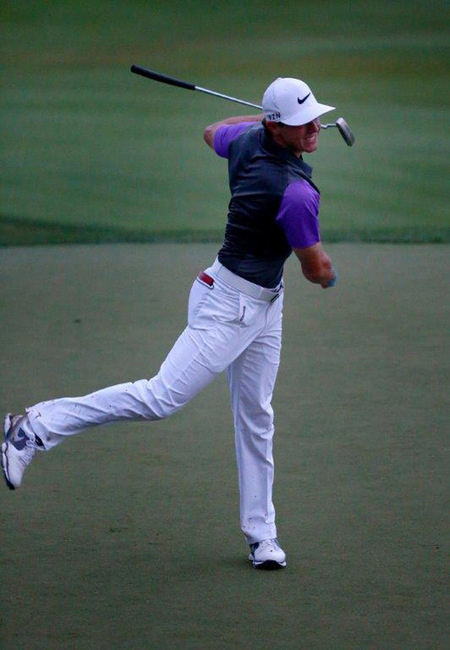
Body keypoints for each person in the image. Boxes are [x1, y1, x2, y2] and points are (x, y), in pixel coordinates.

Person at [2, 77, 338, 570]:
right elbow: (315, 269)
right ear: (276, 127)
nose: (314, 128)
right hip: (228, 307)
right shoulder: (295, 193)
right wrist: (330, 278)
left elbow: (211, 131)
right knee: (159, 398)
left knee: (256, 414)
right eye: (300, 122)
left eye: (314, 119)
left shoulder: (247, 141)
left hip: (260, 302)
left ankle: (261, 535)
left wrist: (263, 121)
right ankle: (33, 427)